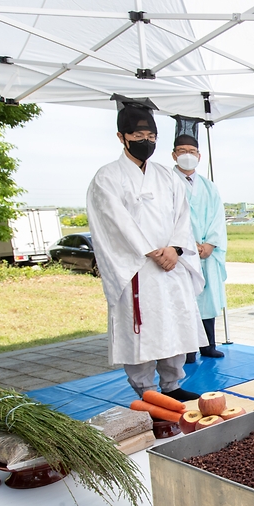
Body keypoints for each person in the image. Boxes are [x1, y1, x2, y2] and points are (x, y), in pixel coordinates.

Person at [86, 96, 206, 400]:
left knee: (174, 323)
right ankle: (147, 390)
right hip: (137, 268)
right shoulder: (107, 177)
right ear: (121, 137)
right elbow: (114, 223)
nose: (145, 141)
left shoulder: (168, 176)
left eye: (151, 136)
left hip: (170, 265)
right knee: (140, 330)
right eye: (138, 136)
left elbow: (183, 216)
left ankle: (173, 385)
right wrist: (152, 250)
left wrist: (176, 249)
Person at [170, 117, 226, 362]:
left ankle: (209, 344)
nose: (187, 155)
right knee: (185, 302)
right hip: (182, 252)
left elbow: (217, 218)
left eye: (192, 151)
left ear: (199, 156)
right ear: (174, 155)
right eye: (182, 151)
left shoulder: (208, 186)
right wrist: (186, 244)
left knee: (208, 298)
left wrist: (210, 244)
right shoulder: (166, 183)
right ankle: (188, 349)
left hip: (207, 251)